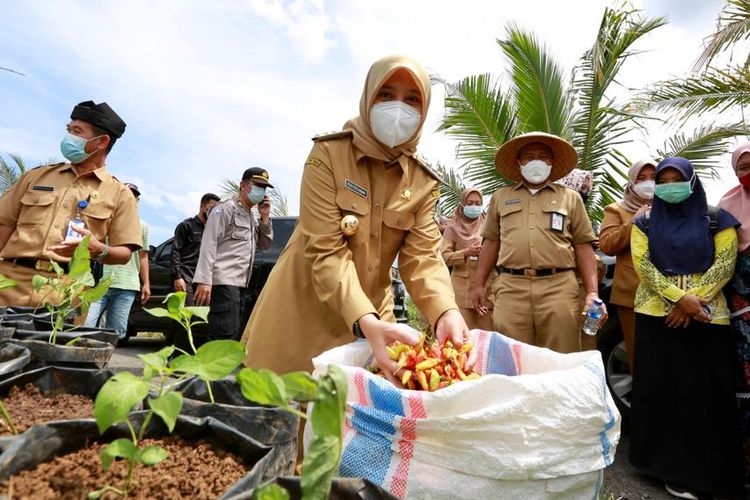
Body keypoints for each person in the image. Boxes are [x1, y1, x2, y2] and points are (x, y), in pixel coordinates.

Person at [240, 55, 468, 377]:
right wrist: (365, 319)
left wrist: (446, 311)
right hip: (303, 309)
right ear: (368, 97)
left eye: (412, 100)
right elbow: (326, 250)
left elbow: (424, 258)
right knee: (290, 408)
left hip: (375, 318)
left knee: (361, 418)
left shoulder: (421, 182)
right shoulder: (328, 155)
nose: (398, 108)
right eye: (386, 95)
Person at [628, 157, 744, 500]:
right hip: (655, 315)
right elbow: (643, 265)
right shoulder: (644, 220)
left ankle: (709, 473)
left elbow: (725, 263)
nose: (668, 185)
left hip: (708, 317)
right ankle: (663, 468)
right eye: (662, 180)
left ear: (691, 181)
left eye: (675, 178)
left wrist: (695, 302)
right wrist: (679, 299)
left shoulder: (716, 218)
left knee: (706, 394)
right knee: (660, 391)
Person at [0, 100, 142, 307]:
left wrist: (96, 248)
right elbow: (4, 224)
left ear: (102, 141)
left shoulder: (120, 194)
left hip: (67, 294)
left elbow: (124, 254)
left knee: (55, 340)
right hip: (9, 284)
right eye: (69, 129)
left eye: (77, 131)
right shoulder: (35, 177)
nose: (69, 137)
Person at [473, 132, 603, 353]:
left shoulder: (570, 198)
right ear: (519, 162)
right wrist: (479, 283)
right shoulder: (500, 197)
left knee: (561, 358)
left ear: (552, 163)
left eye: (543, 156)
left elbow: (583, 246)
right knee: (511, 358)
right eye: (529, 156)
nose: (536, 161)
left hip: (559, 288)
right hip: (511, 289)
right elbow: (491, 243)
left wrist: (592, 292)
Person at [192, 167, 272, 341]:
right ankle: (209, 368)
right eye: (257, 185)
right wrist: (204, 280)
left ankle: (212, 368)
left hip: (241, 285)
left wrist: (265, 217)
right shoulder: (225, 209)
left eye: (264, 188)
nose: (261, 191)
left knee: (231, 336)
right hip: (224, 282)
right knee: (222, 336)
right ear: (243, 185)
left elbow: (264, 245)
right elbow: (209, 243)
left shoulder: (250, 216)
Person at [599, 160, 656, 370]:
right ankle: (643, 401)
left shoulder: (672, 207)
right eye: (641, 178)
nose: (648, 183)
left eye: (653, 178)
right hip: (633, 295)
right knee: (640, 357)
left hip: (673, 294)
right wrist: (635, 221)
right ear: (631, 182)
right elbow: (607, 245)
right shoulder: (617, 210)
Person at [718, 142, 750, 485]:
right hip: (744, 315)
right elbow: (725, 259)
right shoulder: (728, 205)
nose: (748, 172)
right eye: (743, 167)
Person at [84, 183, 150, 338]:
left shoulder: (143, 226)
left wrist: (146, 283)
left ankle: (103, 361)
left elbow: (143, 256)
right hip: (99, 283)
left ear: (137, 201)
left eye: (133, 196)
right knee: (84, 324)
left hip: (127, 285)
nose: (130, 198)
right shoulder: (104, 220)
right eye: (126, 194)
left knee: (116, 333)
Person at [441, 188, 494, 330]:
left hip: (486, 290)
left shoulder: (489, 225)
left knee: (487, 336)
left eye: (478, 203)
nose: (474, 207)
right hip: (461, 291)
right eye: (470, 203)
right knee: (462, 335)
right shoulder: (452, 227)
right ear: (462, 205)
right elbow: (444, 257)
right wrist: (466, 252)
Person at [170, 192, 221, 305]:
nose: (213, 212)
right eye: (211, 207)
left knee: (200, 317)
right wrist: (177, 277)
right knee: (185, 315)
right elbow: (175, 251)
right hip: (185, 277)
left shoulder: (214, 230)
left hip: (204, 279)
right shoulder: (186, 225)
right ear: (202, 206)